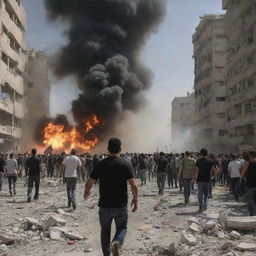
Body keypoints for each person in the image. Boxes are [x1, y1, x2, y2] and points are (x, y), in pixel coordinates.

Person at [84, 138, 138, 256]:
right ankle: (117, 242)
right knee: (122, 228)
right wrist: (135, 200)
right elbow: (134, 186)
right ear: (120, 149)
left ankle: (107, 254)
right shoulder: (125, 164)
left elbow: (90, 182)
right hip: (120, 205)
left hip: (104, 205)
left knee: (105, 231)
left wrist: (86, 192)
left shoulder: (100, 164)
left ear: (108, 149)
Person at [240, 151, 256, 216]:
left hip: (249, 184)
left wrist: (240, 179)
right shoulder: (247, 163)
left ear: (250, 156)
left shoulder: (247, 163)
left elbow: (243, 171)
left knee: (250, 200)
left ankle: (252, 213)